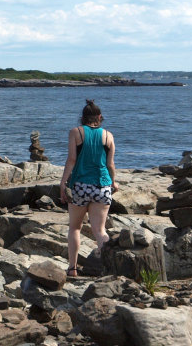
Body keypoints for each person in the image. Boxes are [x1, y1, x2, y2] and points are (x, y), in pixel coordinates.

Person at [60, 99, 118, 277]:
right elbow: (110, 164)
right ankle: (109, 268)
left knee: (75, 228)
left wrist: (63, 183)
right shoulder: (108, 136)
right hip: (102, 185)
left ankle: (72, 268)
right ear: (100, 117)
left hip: (80, 185)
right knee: (100, 231)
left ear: (82, 118)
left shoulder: (76, 132)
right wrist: (114, 182)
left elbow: (72, 160)